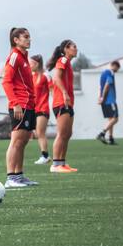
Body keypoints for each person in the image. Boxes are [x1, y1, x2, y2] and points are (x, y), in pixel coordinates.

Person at [1, 28, 38, 188]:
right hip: (20, 105)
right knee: (16, 141)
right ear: (16, 40)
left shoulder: (24, 57)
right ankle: (11, 178)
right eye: (26, 37)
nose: (29, 39)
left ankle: (19, 175)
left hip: (28, 105)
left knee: (23, 142)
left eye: (29, 37)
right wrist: (15, 103)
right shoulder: (15, 56)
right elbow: (6, 81)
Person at [48, 39, 78, 173]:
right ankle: (55, 165)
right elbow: (56, 78)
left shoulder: (68, 63)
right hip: (61, 102)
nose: (76, 49)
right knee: (61, 134)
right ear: (66, 49)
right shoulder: (63, 60)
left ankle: (62, 163)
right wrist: (65, 93)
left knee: (67, 134)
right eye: (73, 47)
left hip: (68, 103)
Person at [30, 54, 51, 164]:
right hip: (34, 109)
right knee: (37, 133)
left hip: (43, 108)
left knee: (40, 132)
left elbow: (53, 89)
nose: (29, 65)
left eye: (31, 63)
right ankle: (45, 156)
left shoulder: (45, 76)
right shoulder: (32, 76)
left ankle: (45, 156)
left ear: (37, 64)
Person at [96, 60, 120, 145]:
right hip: (110, 100)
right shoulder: (110, 73)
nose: (117, 70)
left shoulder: (103, 73)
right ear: (114, 66)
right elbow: (107, 85)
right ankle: (102, 133)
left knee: (110, 119)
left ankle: (111, 138)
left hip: (104, 101)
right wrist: (103, 98)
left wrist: (100, 97)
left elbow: (100, 87)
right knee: (115, 118)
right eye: (117, 68)